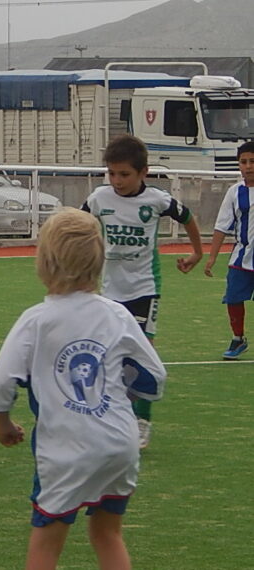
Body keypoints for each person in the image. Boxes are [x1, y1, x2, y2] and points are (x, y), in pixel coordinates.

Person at [0, 207, 167, 570]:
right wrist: (122, 392)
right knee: (108, 534)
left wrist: (2, 423)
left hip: (66, 449)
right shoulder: (116, 314)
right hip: (119, 443)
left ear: (44, 262)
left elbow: (1, 380)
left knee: (48, 541)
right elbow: (153, 377)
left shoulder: (37, 320)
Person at [80, 134, 201, 449]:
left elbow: (187, 218)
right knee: (106, 355)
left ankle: (142, 422)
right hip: (108, 291)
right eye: (112, 173)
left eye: (124, 174)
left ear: (143, 173)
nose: (117, 181)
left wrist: (196, 253)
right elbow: (77, 226)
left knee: (142, 353)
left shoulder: (157, 201)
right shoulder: (99, 199)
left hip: (145, 289)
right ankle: (108, 416)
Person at [204, 140, 254, 360]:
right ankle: (238, 338)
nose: (248, 166)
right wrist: (212, 257)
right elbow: (221, 225)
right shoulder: (234, 192)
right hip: (241, 257)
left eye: (252, 161)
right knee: (233, 297)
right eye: (244, 162)